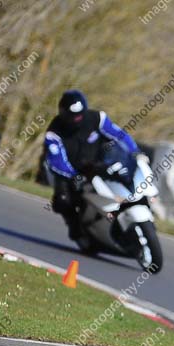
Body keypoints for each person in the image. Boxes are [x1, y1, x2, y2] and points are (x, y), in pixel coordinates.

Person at [45, 89, 139, 239]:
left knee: (124, 175)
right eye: (72, 117)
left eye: (79, 116)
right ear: (63, 113)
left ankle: (130, 207)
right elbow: (57, 162)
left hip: (97, 164)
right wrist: (73, 176)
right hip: (71, 172)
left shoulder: (96, 118)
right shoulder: (54, 132)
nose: (76, 120)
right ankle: (74, 224)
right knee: (62, 200)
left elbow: (118, 135)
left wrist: (134, 151)